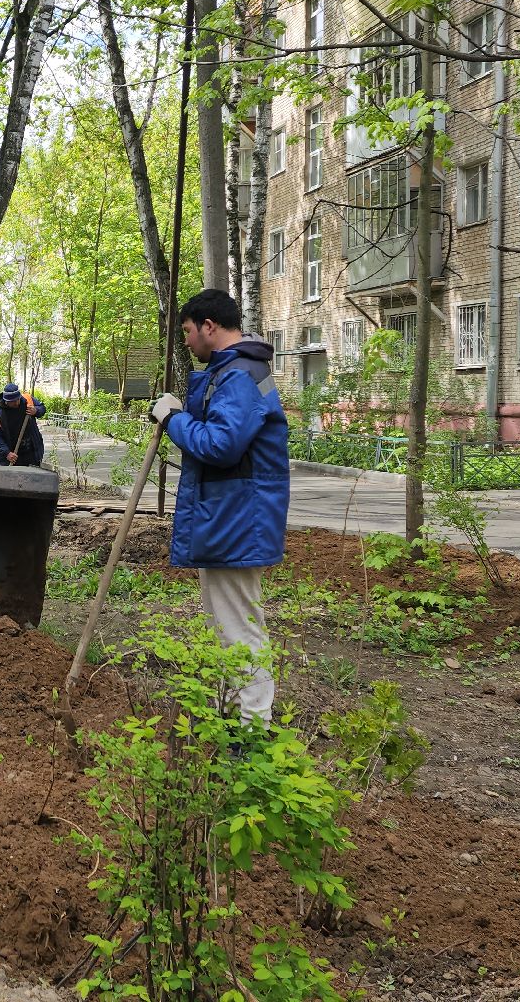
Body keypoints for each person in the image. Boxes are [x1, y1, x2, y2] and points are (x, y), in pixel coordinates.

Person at [148, 289, 289, 727]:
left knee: (239, 627)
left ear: (210, 326)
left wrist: (174, 420)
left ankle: (252, 734)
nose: (187, 341)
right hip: (229, 518)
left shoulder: (240, 376)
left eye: (188, 331)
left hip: (238, 520)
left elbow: (221, 444)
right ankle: (233, 718)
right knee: (226, 625)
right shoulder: (234, 372)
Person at [0, 383, 47, 466]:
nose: (16, 403)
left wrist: (36, 410)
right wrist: (6, 453)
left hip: (32, 453)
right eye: (12, 402)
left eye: (17, 399)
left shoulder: (28, 400)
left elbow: (42, 408)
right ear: (6, 401)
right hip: (12, 456)